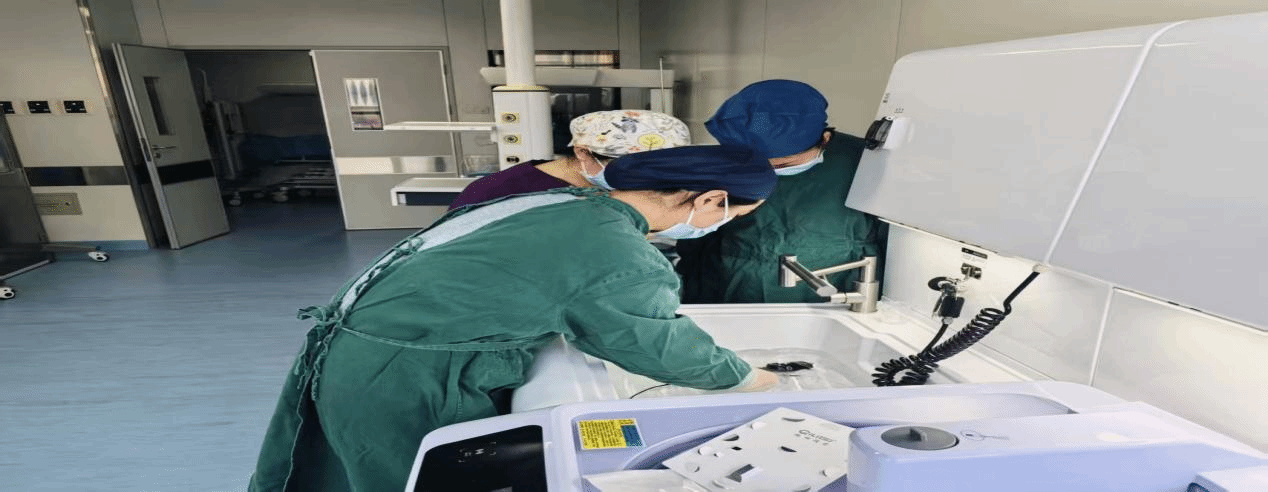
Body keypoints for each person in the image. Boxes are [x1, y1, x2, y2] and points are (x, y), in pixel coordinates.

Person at [249, 145, 781, 492]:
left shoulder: (564, 202)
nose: (720, 224)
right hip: (409, 378)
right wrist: (749, 379)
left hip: (367, 353)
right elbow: (653, 342)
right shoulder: (612, 248)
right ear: (710, 199)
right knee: (409, 480)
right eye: (730, 215)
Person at [675, 80, 887, 303]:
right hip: (732, 285)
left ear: (824, 139)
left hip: (833, 287)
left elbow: (890, 240)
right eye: (759, 164)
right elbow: (694, 233)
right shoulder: (725, 160)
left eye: (784, 164)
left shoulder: (867, 162)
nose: (771, 171)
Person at [448, 109, 690, 209]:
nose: (647, 178)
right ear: (582, 152)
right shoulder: (496, 193)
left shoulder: (606, 190)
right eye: (632, 167)